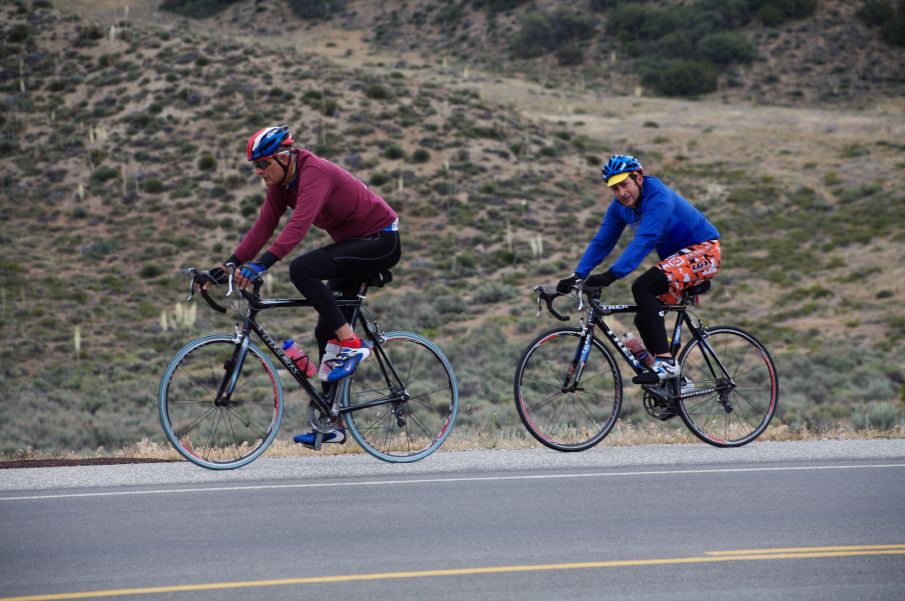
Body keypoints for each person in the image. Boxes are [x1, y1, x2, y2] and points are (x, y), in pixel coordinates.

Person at [204, 125, 401, 446]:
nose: (259, 172)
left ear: (284, 158)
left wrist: (262, 264)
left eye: (263, 164)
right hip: (353, 245)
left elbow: (299, 225)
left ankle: (353, 345)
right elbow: (263, 226)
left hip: (381, 241)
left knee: (303, 269)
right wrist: (228, 265)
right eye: (255, 166)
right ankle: (332, 421)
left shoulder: (314, 172)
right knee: (325, 330)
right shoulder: (281, 185)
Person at [556, 154, 720, 384]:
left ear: (639, 178)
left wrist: (611, 275)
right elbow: (602, 242)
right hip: (676, 261)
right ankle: (674, 383)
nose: (621, 193)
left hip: (705, 251)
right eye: (615, 188)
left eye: (625, 184)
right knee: (644, 317)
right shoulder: (620, 208)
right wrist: (577, 274)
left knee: (643, 286)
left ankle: (665, 363)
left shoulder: (658, 197)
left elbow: (646, 238)